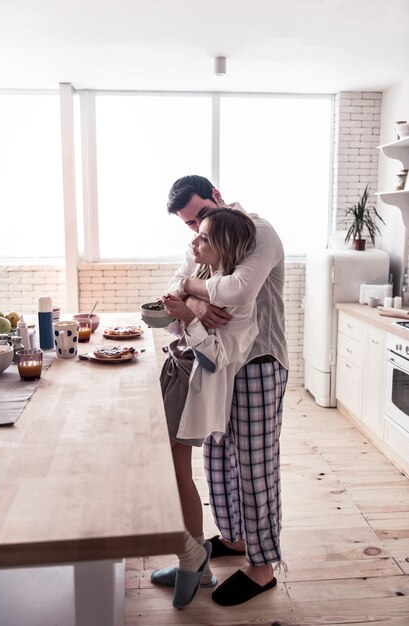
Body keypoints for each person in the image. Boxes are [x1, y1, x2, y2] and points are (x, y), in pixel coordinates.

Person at [163, 175, 289, 607]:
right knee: (216, 456)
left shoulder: (259, 232)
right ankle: (235, 539)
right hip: (220, 367)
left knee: (254, 466)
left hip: (257, 363)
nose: (195, 232)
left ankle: (263, 565)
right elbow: (178, 281)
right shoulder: (203, 239)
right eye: (188, 226)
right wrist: (197, 303)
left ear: (217, 198)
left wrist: (191, 293)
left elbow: (236, 289)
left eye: (199, 216)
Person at [151, 208, 259, 609]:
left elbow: (217, 358)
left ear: (223, 248)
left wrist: (187, 317)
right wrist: (180, 308)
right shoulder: (208, 282)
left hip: (190, 388)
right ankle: (196, 563)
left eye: (203, 238)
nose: (194, 242)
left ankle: (192, 558)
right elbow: (177, 307)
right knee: (172, 472)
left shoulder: (241, 306)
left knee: (177, 474)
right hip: (175, 374)